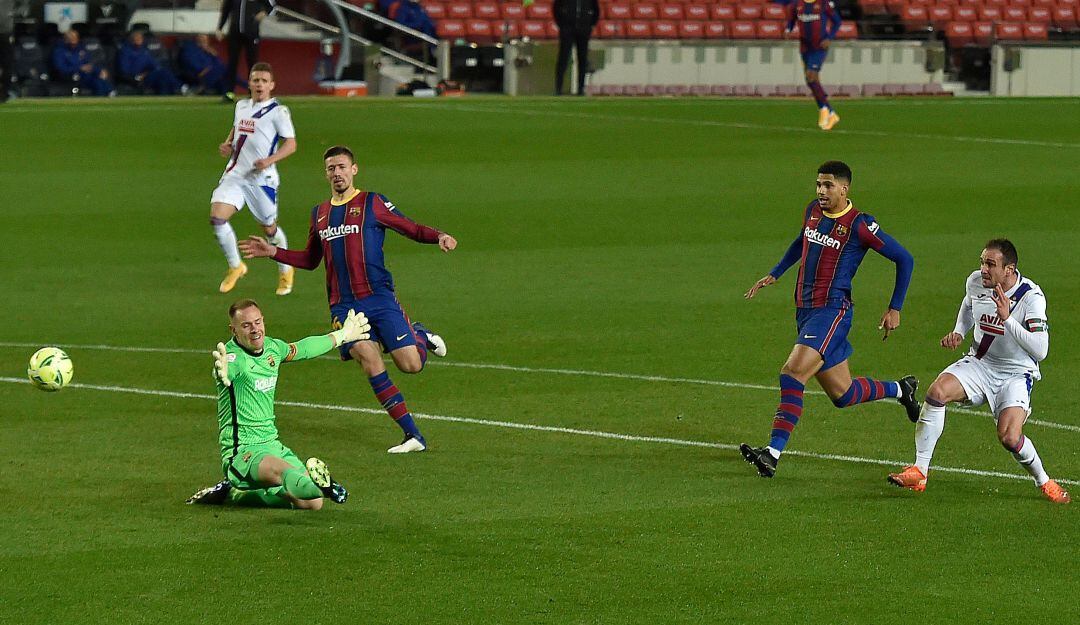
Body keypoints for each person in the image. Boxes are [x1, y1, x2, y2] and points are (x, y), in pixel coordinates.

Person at [238, 145, 458, 454]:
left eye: (342, 167)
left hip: (379, 297)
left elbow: (410, 227)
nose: (337, 173)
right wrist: (275, 252)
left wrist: (438, 236)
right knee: (368, 358)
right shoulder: (320, 214)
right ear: (326, 173)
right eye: (331, 168)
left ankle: (419, 334)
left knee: (410, 365)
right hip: (344, 307)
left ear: (353, 170)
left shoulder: (372, 203)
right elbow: (312, 259)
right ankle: (413, 436)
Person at [740, 161, 919, 478]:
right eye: (818, 185)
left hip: (832, 311)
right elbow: (802, 240)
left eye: (828, 186)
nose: (821, 191)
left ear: (844, 189)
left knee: (792, 373)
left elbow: (905, 258)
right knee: (843, 394)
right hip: (805, 311)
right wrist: (775, 273)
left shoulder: (859, 225)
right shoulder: (812, 211)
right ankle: (901, 390)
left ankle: (772, 452)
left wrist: (895, 308)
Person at [888, 240, 1070, 503]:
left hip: (1015, 374)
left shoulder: (1031, 297)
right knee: (937, 392)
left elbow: (1041, 350)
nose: (983, 269)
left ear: (1009, 269)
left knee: (1009, 437)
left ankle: (1044, 481)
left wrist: (1007, 319)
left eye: (990, 264)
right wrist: (959, 332)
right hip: (980, 364)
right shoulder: (976, 282)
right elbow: (968, 305)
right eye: (982, 262)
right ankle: (919, 471)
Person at [186, 298, 371, 508]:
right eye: (246, 325)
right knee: (285, 473)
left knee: (312, 504)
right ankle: (327, 488)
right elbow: (227, 369)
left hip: (272, 444)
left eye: (257, 322)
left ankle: (235, 494)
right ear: (233, 330)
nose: (254, 329)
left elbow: (304, 348)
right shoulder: (232, 359)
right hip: (243, 452)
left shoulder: (273, 349)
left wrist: (343, 335)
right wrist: (221, 374)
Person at [210, 62, 297, 296]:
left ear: (271, 85)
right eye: (255, 80)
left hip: (262, 179)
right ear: (249, 83)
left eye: (263, 81)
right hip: (236, 174)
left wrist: (270, 160)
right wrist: (228, 143)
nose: (259, 84)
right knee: (217, 217)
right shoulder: (241, 106)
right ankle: (236, 266)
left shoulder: (278, 112)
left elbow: (291, 144)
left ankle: (285, 269)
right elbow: (237, 127)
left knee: (269, 229)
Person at [775, 0, 842, 130]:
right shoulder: (796, 4)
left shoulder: (823, 3)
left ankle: (823, 109)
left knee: (811, 76)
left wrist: (829, 37)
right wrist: (788, 29)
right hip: (805, 46)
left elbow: (837, 22)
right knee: (810, 80)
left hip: (819, 46)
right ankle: (831, 113)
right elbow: (791, 20)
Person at [217, 0, 275, 100]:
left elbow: (271, 7)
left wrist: (264, 13)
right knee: (232, 62)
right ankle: (229, 92)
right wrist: (220, 28)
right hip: (234, 33)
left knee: (252, 63)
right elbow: (226, 10)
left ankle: (253, 92)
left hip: (251, 33)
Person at [553, 0, 599, 96]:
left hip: (583, 30)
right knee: (563, 59)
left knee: (582, 60)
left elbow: (596, 10)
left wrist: (589, 25)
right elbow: (556, 8)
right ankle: (558, 88)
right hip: (567, 30)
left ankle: (580, 89)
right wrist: (562, 25)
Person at [50, 29, 114, 96]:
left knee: (99, 78)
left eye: (75, 38)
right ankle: (107, 94)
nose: (73, 40)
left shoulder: (81, 49)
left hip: (86, 75)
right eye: (70, 38)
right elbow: (61, 68)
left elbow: (88, 64)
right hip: (71, 76)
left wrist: (99, 70)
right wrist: (79, 68)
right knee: (96, 82)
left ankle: (110, 93)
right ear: (66, 40)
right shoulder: (59, 52)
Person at [117, 30, 183, 95]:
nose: (138, 40)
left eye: (140, 38)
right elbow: (125, 71)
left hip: (147, 75)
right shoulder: (125, 52)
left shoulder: (144, 51)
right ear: (131, 40)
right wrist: (137, 77)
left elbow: (155, 65)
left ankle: (164, 98)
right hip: (136, 78)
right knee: (163, 74)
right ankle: (181, 88)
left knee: (163, 76)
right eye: (136, 38)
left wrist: (147, 73)